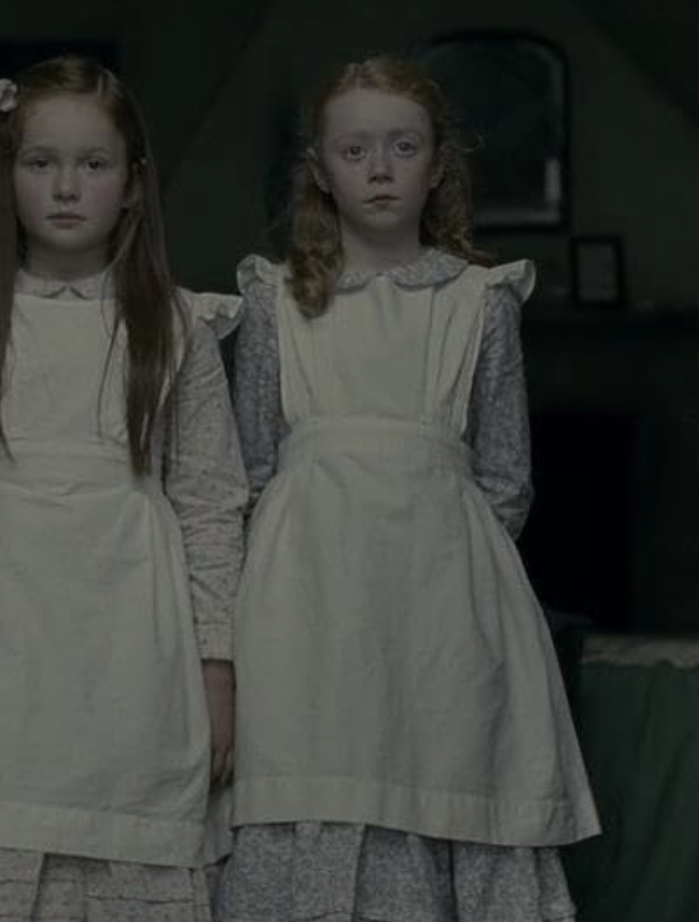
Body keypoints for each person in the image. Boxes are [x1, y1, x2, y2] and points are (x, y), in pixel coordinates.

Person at [220, 56, 598, 922]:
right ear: (320, 169)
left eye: (403, 146)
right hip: (307, 610)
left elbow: (505, 477)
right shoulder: (276, 301)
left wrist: (448, 575)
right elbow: (251, 471)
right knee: (317, 773)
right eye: (355, 150)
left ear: (439, 164)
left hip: (443, 608)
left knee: (447, 771)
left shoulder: (480, 301)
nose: (380, 169)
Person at [0, 55, 247, 921]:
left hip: (128, 658)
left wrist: (217, 671)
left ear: (134, 184)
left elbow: (212, 507)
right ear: (6, 179)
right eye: (41, 163)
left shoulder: (177, 328)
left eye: (93, 164)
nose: (67, 187)